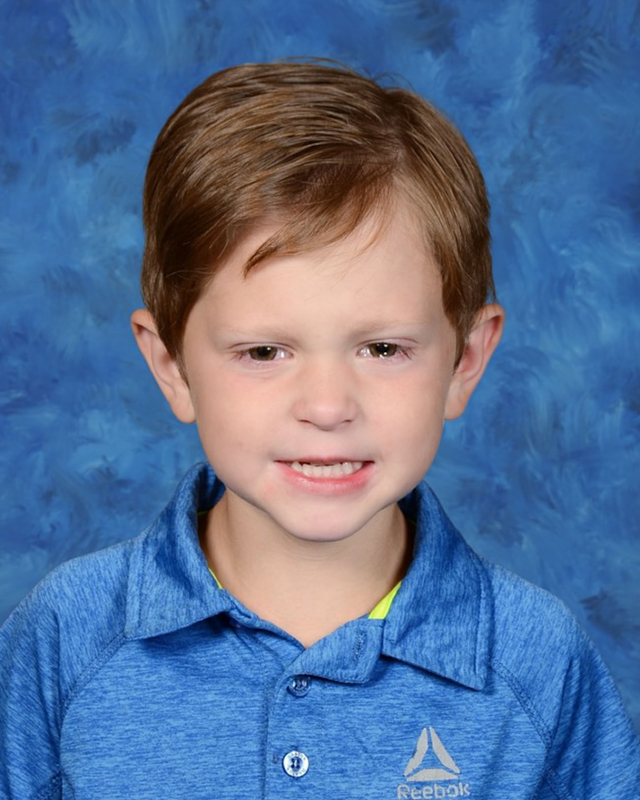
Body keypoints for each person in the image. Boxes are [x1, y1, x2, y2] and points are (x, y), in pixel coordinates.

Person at [1, 61, 638, 800]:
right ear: (171, 364)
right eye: (265, 352)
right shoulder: (65, 638)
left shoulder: (537, 661)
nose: (328, 406)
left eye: (382, 348)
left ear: (465, 359)